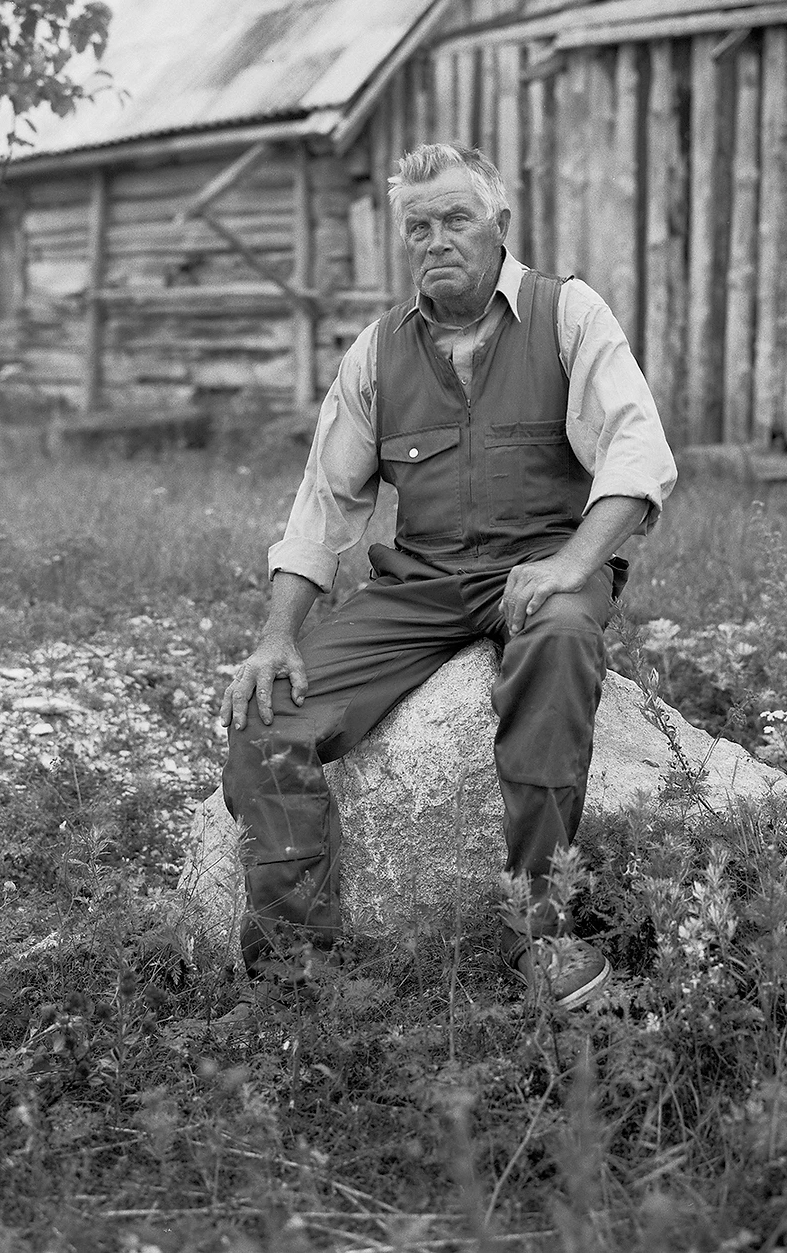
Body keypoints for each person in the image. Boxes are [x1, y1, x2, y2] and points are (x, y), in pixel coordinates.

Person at [219, 142, 676, 1007]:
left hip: (545, 564)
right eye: (417, 227)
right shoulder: (378, 352)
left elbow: (638, 454)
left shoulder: (567, 315)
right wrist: (278, 634)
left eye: (455, 220)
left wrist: (574, 563)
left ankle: (545, 930)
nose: (436, 241)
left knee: (558, 642)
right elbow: (324, 504)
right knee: (267, 716)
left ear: (499, 225)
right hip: (421, 583)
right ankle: (294, 974)